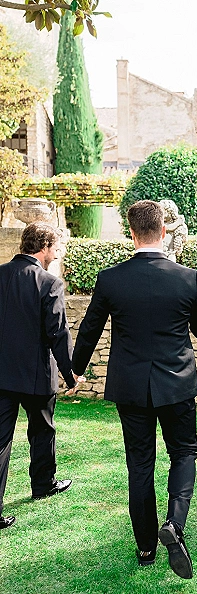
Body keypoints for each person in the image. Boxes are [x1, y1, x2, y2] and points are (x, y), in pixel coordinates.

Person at [72, 200, 197, 578]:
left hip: (131, 387)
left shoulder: (111, 278)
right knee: (184, 452)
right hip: (177, 384)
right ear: (163, 231)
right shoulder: (187, 278)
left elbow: (89, 330)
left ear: (131, 233)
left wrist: (74, 371)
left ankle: (147, 547)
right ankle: (175, 524)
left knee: (140, 465)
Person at [0, 222, 78, 530]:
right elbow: (58, 333)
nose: (57, 254)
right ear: (44, 247)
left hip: (1, 376)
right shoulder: (49, 283)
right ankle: (43, 484)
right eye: (56, 248)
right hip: (35, 376)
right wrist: (71, 375)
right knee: (43, 431)